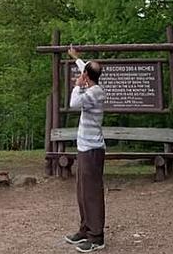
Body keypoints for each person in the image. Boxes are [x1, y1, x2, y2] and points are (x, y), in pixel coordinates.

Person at [63, 46, 106, 252]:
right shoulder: (94, 82)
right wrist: (76, 57)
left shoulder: (94, 93)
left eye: (83, 74)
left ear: (87, 77)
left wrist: (78, 86)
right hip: (84, 148)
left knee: (91, 193)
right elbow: (85, 67)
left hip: (92, 150)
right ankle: (85, 229)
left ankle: (97, 237)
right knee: (82, 192)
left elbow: (73, 104)